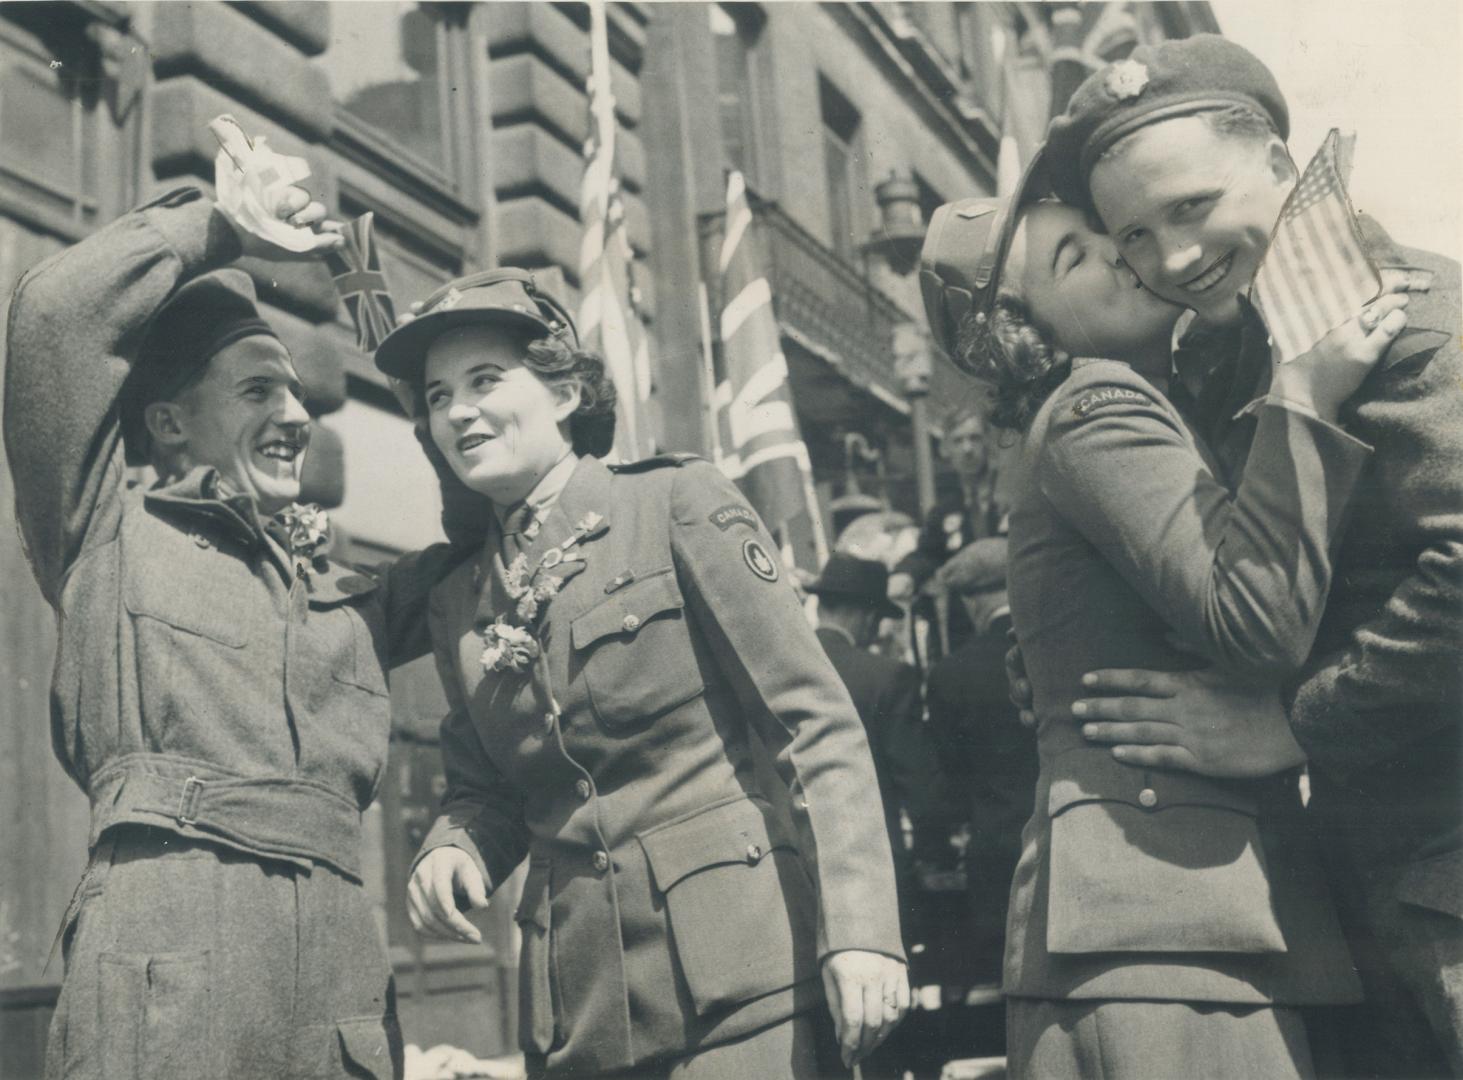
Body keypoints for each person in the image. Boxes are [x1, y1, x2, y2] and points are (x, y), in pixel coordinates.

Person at [921, 141, 1407, 1077]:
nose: (1115, 253)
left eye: (1104, 235)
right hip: (1171, 931)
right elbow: (1256, 620)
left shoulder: (1140, 408)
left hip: (1170, 919)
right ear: (1019, 333)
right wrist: (1302, 396)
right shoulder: (1098, 399)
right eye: (1071, 257)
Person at [1029, 35, 1463, 1077]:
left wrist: (1294, 723)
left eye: (1190, 208)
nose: (1170, 258)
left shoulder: (1404, 326)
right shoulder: (1258, 349)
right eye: (1132, 234)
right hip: (1376, 883)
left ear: (1278, 163)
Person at [377, 272, 909, 1079]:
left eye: (486, 380)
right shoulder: (460, 599)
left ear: (562, 392)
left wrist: (862, 927)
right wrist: (455, 850)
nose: (457, 410)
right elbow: (487, 789)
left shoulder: (671, 504)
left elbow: (812, 720)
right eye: (438, 394)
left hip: (746, 980)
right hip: (581, 1012)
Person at [4, 156, 461, 1076]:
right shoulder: (110, 533)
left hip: (337, 980)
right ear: (170, 424)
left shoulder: (343, 598)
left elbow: (486, 541)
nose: (296, 414)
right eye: (258, 391)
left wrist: (429, 388)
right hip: (172, 964)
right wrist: (216, 226)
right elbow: (54, 324)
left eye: (296, 391)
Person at [806, 552, 950, 1080]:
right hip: (873, 881)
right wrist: (933, 857)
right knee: (881, 1025)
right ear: (867, 615)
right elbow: (923, 790)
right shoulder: (886, 678)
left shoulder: (775, 673)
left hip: (794, 877)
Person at [923, 538, 1036, 994]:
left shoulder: (953, 673)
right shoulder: (1056, 652)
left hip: (999, 854)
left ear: (973, 600)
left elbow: (946, 778)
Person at [890, 405, 1000, 657]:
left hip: (1012, 615)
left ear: (987, 443)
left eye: (974, 438)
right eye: (958, 441)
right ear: (945, 449)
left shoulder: (1009, 496)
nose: (967, 449)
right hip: (966, 624)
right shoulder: (945, 510)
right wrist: (905, 573)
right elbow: (928, 554)